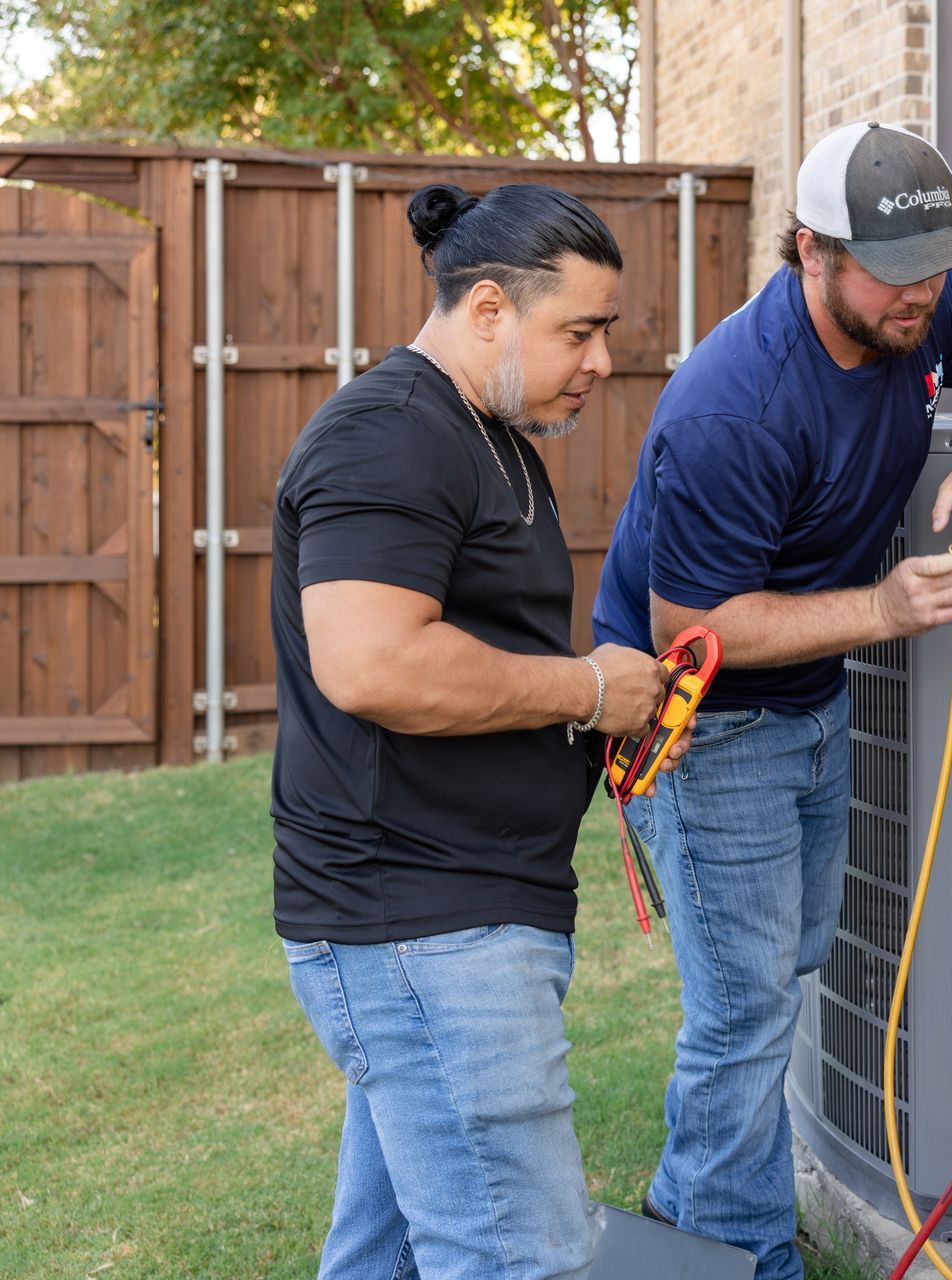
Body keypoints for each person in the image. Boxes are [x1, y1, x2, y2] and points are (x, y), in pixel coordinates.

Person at [592, 122, 952, 1277]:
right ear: (811, 251)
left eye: (939, 265)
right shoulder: (737, 401)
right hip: (704, 723)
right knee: (743, 1011)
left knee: (786, 967)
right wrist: (884, 610)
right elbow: (689, 630)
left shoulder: (922, 305)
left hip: (813, 705)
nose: (927, 293)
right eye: (895, 268)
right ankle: (734, 1254)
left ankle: (686, 1224)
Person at [271, 182, 687, 1280]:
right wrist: (586, 692)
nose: (602, 360)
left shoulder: (487, 434)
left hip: (448, 917)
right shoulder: (391, 438)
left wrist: (607, 718)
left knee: (385, 1255)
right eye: (582, 331)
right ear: (491, 307)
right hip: (420, 924)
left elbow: (482, 659)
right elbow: (373, 661)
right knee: (518, 1256)